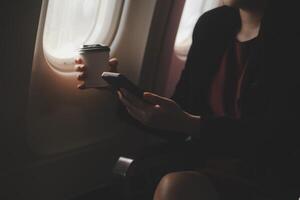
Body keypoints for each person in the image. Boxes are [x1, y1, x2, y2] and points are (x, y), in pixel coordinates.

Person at [75, 0, 300, 199]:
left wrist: (190, 124)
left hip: (267, 170)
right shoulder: (212, 25)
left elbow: (277, 136)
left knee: (177, 186)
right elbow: (182, 112)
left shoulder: (291, 33)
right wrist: (120, 92)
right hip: (205, 159)